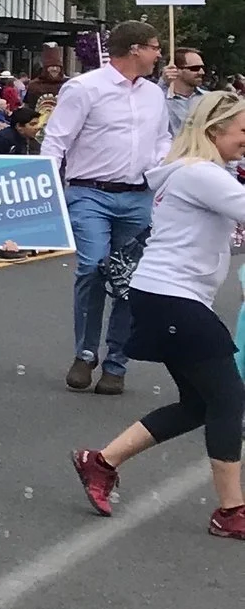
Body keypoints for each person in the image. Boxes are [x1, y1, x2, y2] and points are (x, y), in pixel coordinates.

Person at [72, 91, 245, 535]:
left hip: (165, 296)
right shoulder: (201, 174)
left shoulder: (192, 172)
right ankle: (231, 511)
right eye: (242, 130)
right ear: (214, 130)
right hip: (173, 298)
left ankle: (101, 462)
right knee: (228, 398)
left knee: (199, 403)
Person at [43, 19, 169, 396]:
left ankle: (117, 362)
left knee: (131, 280)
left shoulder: (154, 94)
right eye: (154, 47)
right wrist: (46, 189)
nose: (159, 54)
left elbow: (162, 139)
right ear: (134, 49)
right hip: (90, 193)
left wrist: (163, 167)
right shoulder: (84, 88)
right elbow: (56, 139)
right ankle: (85, 353)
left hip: (138, 195)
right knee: (92, 268)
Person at [165, 45, 206, 135]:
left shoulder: (209, 99)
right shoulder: (161, 101)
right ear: (176, 70)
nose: (201, 72)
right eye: (195, 68)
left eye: (202, 68)